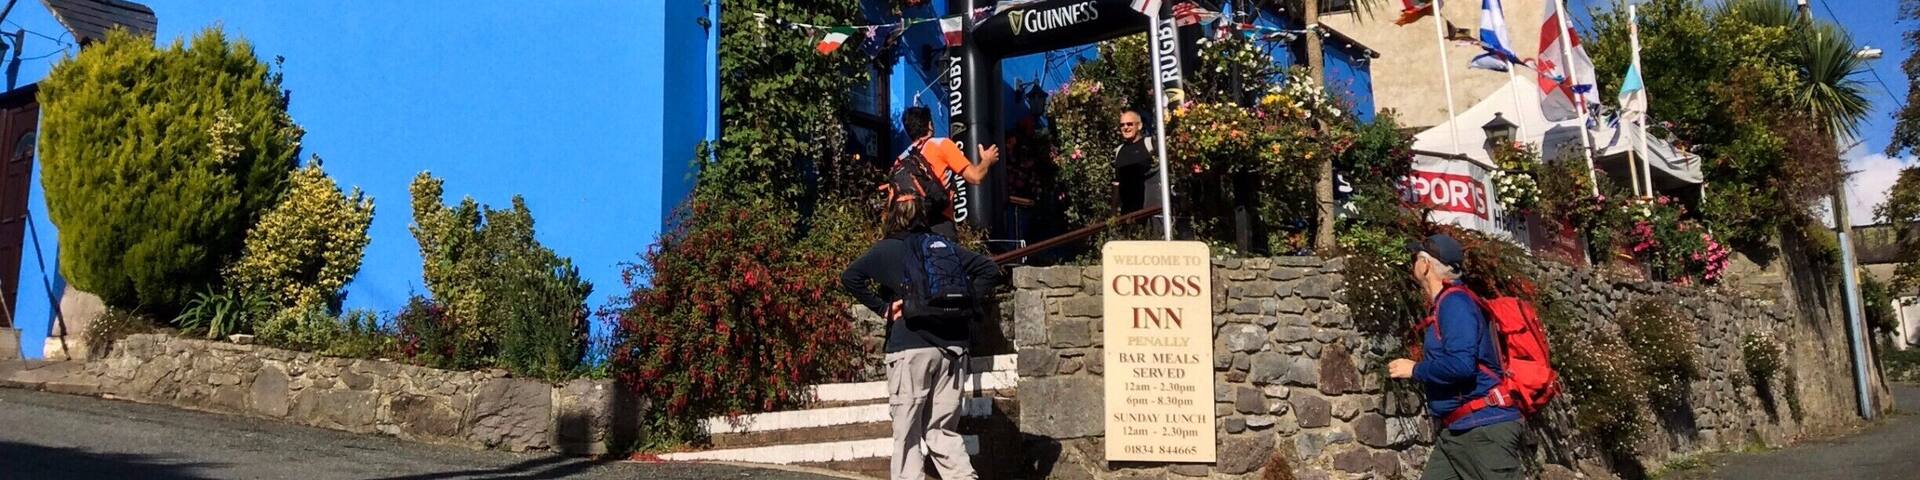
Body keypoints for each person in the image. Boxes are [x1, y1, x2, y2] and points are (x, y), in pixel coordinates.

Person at [840, 193, 999, 480]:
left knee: (908, 432)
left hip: (909, 349)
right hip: (953, 349)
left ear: (891, 215)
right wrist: (966, 303)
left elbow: (850, 277)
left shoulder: (885, 250)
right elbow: (989, 269)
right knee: (942, 430)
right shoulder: (943, 247)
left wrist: (884, 308)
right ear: (923, 217)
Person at [1388, 234, 1526, 480]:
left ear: (1426, 265)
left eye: (1415, 258)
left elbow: (1462, 366)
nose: (1413, 265)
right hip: (1458, 432)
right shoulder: (1447, 303)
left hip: (1484, 430)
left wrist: (1415, 369)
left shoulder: (1456, 304)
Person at [899, 106, 1000, 238]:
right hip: (940, 223)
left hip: (910, 227)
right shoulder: (942, 145)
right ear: (929, 125)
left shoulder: (901, 159)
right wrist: (987, 161)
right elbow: (975, 176)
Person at [1113, 109, 1162, 213]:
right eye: (1122, 125)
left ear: (1139, 126)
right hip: (1127, 213)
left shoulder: (1150, 144)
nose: (1126, 127)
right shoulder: (1119, 150)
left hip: (1150, 210)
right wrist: (1113, 211)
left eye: (1130, 124)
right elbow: (1117, 183)